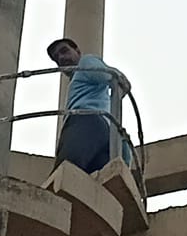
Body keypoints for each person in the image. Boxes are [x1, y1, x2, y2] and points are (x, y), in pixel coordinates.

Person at [47, 37, 131, 174]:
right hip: (105, 134)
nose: (61, 58)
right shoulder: (85, 83)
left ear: (78, 51)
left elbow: (107, 75)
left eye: (64, 51)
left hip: (86, 122)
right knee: (92, 183)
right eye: (57, 58)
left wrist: (120, 79)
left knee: (65, 174)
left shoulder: (85, 62)